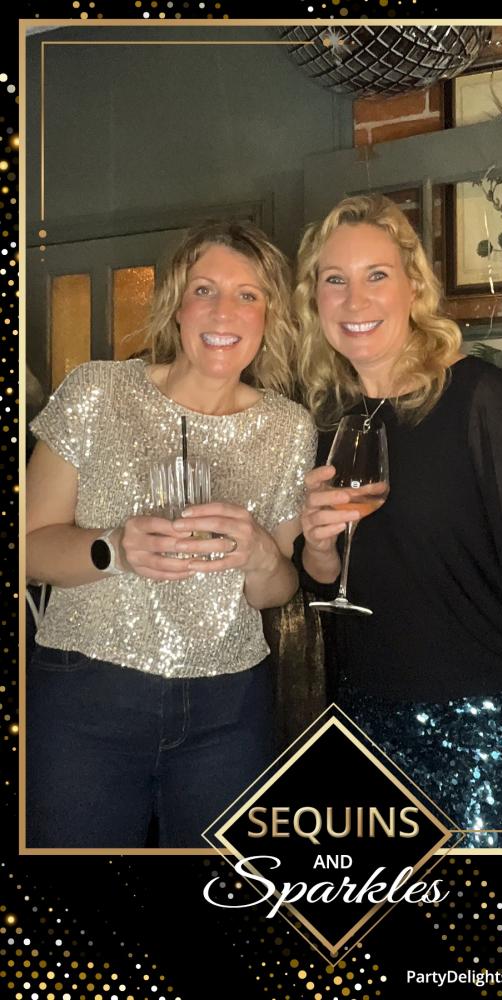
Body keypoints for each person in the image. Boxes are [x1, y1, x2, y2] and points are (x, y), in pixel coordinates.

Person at [293, 194, 502, 849]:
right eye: (334, 280)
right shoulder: (331, 419)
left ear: (414, 288)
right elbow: (326, 584)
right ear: (314, 300)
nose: (354, 299)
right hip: (360, 721)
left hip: (480, 728)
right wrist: (318, 550)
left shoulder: (482, 400)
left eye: (376, 275)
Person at [26, 219, 316, 848]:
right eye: (204, 289)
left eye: (248, 295)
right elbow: (29, 546)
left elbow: (277, 589)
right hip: (86, 696)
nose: (223, 311)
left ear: (269, 316)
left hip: (229, 709)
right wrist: (112, 549)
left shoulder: (289, 428)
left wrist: (263, 556)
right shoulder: (98, 391)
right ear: (176, 305)